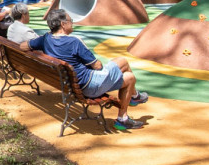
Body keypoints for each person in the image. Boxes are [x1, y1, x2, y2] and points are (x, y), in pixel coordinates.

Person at [20, 9, 148, 130]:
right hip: (89, 85)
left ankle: (134, 96)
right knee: (129, 75)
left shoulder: (45, 39)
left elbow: (23, 46)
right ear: (63, 24)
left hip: (70, 84)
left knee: (122, 61)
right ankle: (124, 115)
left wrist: (36, 44)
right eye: (70, 21)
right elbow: (97, 66)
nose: (72, 23)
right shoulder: (74, 42)